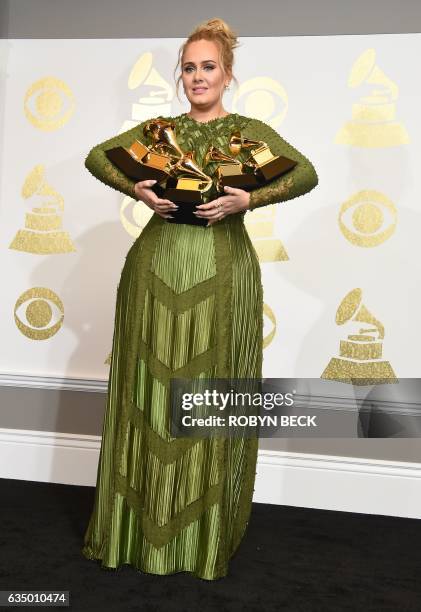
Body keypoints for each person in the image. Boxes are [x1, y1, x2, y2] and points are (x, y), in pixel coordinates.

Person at [81, 17, 318, 581]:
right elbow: (97, 157)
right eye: (188, 67)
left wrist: (247, 201)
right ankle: (139, 535)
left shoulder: (247, 134)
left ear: (228, 74)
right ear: (180, 75)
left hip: (222, 273)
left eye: (207, 66)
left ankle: (198, 540)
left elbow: (306, 173)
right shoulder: (159, 133)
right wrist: (135, 188)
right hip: (155, 269)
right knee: (151, 394)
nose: (197, 76)